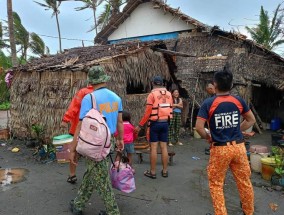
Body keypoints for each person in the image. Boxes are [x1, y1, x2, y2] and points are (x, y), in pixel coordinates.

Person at [195, 68, 256, 215]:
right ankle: (249, 212)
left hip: (220, 149)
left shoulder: (208, 103)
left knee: (216, 184)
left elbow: (198, 128)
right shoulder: (238, 100)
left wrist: (208, 137)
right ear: (231, 84)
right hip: (239, 147)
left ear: (214, 84)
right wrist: (237, 130)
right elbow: (251, 120)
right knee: (244, 182)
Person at [69, 65, 124, 215]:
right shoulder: (116, 97)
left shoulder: (89, 98)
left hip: (95, 144)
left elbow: (80, 124)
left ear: (91, 82)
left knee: (102, 179)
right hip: (110, 141)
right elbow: (120, 122)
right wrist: (120, 139)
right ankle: (78, 205)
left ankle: (113, 212)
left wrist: (72, 148)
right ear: (104, 80)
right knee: (93, 172)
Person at [135, 76, 173, 179]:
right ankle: (165, 171)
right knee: (164, 147)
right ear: (162, 84)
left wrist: (140, 125)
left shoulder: (152, 95)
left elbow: (147, 113)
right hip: (165, 123)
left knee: (154, 148)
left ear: (153, 83)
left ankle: (152, 172)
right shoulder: (169, 94)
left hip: (155, 124)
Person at [61, 85, 94, 184]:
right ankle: (91, 175)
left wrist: (65, 120)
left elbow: (74, 107)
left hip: (78, 128)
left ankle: (72, 175)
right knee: (93, 152)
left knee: (73, 151)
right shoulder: (103, 94)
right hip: (94, 130)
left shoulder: (83, 92)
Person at [204, 82, 216, 155]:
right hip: (212, 119)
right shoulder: (212, 97)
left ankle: (213, 146)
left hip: (214, 119)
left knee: (213, 133)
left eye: (207, 90)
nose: (207, 92)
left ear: (211, 89)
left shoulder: (212, 99)